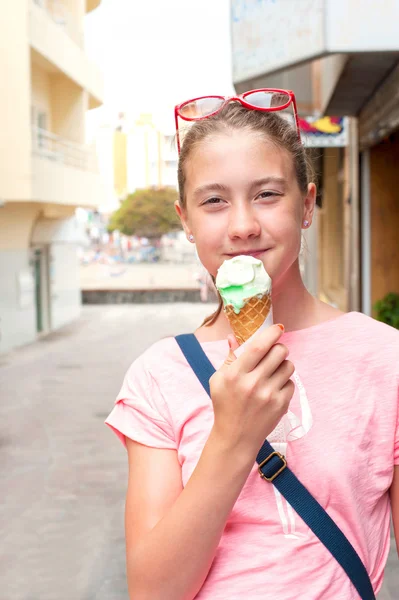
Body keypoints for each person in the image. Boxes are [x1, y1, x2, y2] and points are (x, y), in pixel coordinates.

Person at [105, 92, 399, 600]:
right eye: (214, 201)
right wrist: (235, 437)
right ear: (186, 220)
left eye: (267, 194)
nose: (243, 225)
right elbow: (153, 591)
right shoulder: (157, 376)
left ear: (307, 205)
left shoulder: (383, 357)